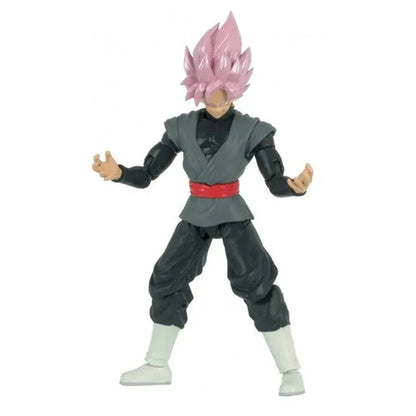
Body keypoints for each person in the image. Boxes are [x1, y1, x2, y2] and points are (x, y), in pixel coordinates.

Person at [92, 12, 313, 396]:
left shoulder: (253, 130)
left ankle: (290, 369)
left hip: (232, 211)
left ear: (237, 85)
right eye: (210, 89)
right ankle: (157, 365)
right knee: (167, 278)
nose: (217, 99)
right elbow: (148, 173)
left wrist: (294, 187)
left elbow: (274, 180)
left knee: (255, 281)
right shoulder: (180, 127)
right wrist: (119, 173)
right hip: (195, 211)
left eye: (225, 89)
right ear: (198, 84)